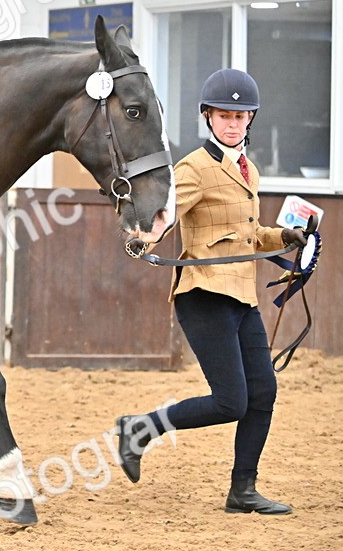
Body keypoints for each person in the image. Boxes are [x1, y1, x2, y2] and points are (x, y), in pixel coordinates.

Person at [117, 69, 307, 515]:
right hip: (203, 294)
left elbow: (248, 234)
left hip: (242, 297)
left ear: (250, 119)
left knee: (263, 393)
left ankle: (243, 490)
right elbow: (165, 214)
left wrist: (284, 237)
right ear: (208, 117)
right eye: (224, 116)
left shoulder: (249, 170)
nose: (233, 124)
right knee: (230, 401)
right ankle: (142, 427)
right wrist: (144, 238)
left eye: (240, 116)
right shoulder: (194, 168)